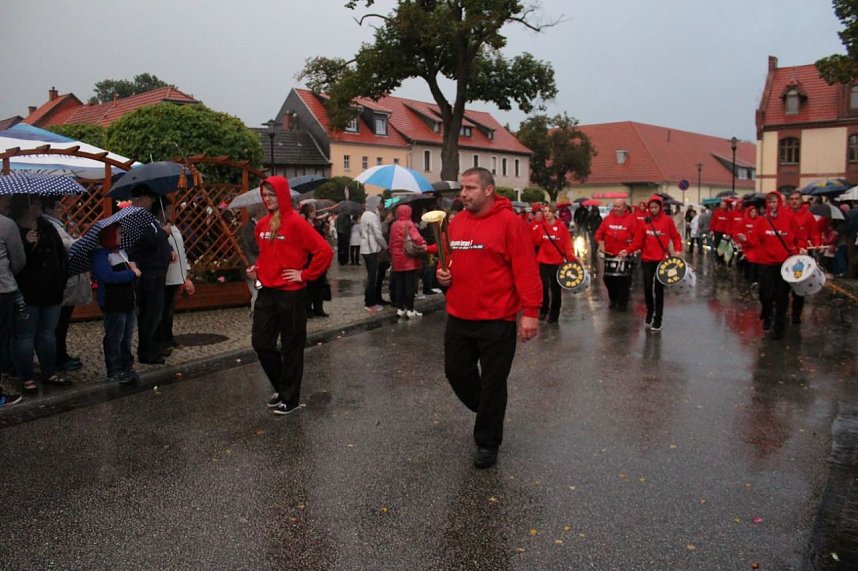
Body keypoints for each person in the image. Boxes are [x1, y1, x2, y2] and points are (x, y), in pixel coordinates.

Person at [435, 167, 542, 469]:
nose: (463, 194)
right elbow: (447, 263)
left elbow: (526, 270)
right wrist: (441, 275)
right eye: (462, 188)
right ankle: (488, 411)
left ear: (489, 190)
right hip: (459, 316)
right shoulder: (456, 223)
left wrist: (530, 313)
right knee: (456, 373)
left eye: (470, 188)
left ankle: (487, 442)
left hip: (498, 320)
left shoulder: (510, 223)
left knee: (494, 383)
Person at [246, 176, 332, 415]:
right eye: (264, 195)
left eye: (272, 194)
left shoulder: (296, 222)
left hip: (292, 294)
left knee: (292, 347)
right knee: (261, 343)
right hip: (267, 291)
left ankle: (290, 398)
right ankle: (283, 386)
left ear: (283, 195)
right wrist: (257, 270)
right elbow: (266, 256)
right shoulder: (262, 225)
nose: (267, 199)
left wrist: (305, 275)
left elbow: (324, 251)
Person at [9, 194, 69, 392]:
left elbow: (61, 253)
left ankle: (48, 371)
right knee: (25, 335)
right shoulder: (14, 228)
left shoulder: (46, 226)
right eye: (35, 203)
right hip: (28, 291)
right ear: (25, 205)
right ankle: (26, 377)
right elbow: (14, 262)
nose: (39, 206)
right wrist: (26, 243)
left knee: (47, 334)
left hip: (51, 290)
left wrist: (61, 279)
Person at [739, 191, 802, 339]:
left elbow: (798, 238)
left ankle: (779, 326)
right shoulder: (762, 221)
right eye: (770, 202)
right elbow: (753, 240)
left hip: (784, 263)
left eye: (775, 202)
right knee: (765, 294)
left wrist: (800, 249)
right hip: (766, 263)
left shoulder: (789, 218)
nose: (773, 205)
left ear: (779, 203)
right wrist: (745, 239)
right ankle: (767, 314)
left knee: (782, 296)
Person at [42, 197, 91, 373]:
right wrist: (83, 241)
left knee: (61, 323)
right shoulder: (51, 226)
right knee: (59, 324)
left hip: (66, 279)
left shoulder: (55, 225)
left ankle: (61, 356)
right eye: (57, 206)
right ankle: (58, 358)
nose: (61, 208)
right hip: (63, 281)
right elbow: (66, 246)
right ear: (48, 209)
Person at [127, 185, 174, 365]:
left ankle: (152, 346)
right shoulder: (138, 218)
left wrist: (168, 249)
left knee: (156, 312)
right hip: (149, 274)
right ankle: (146, 351)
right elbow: (151, 239)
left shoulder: (146, 218)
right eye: (149, 198)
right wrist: (164, 233)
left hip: (157, 272)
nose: (152, 201)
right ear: (140, 199)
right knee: (150, 314)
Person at [90, 223, 141, 384]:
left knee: (126, 338)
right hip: (113, 303)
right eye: (118, 234)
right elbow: (107, 276)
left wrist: (133, 269)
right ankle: (114, 369)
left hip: (127, 301)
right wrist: (131, 273)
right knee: (115, 337)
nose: (121, 237)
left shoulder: (120, 252)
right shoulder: (100, 254)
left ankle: (127, 366)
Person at [625, 194, 682, 332]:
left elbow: (675, 237)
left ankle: (658, 319)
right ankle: (650, 311)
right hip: (647, 260)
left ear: (660, 207)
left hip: (661, 261)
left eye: (656, 207)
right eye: (651, 207)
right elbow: (638, 241)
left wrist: (678, 250)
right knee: (647, 288)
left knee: (659, 289)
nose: (654, 209)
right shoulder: (645, 222)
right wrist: (627, 250)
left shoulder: (667, 221)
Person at [153, 198, 195, 352]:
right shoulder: (157, 228)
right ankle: (160, 340)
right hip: (166, 275)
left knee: (170, 309)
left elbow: (181, 251)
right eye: (168, 209)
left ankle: (168, 337)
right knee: (162, 309)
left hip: (177, 275)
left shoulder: (173, 227)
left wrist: (185, 274)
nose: (171, 212)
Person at [0, 194, 25, 406]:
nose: (8, 202)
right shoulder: (7, 225)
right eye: (4, 198)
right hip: (2, 290)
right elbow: (18, 260)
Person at [533, 204, 575, 322]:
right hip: (543, 261)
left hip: (556, 262)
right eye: (544, 211)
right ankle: (543, 310)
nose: (546, 214)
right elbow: (535, 242)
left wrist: (571, 257)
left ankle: (554, 315)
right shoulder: (541, 226)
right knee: (543, 287)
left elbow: (567, 244)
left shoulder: (561, 227)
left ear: (554, 213)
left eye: (549, 211)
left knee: (556, 290)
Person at [595, 199, 638, 311]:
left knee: (623, 280)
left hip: (624, 255)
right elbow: (598, 234)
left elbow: (637, 238)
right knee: (608, 279)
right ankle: (613, 299)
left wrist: (630, 249)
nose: (615, 209)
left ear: (624, 208)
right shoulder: (607, 219)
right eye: (614, 206)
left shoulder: (632, 220)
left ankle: (622, 302)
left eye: (618, 207)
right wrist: (600, 243)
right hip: (610, 254)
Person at [785, 191, 820, 325]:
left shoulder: (808, 216)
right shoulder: (784, 215)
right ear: (789, 201)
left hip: (801, 256)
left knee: (799, 288)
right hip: (785, 255)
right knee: (783, 287)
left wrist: (816, 245)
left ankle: (796, 314)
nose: (794, 201)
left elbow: (815, 234)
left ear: (801, 200)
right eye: (792, 199)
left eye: (797, 199)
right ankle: (782, 311)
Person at [389, 204, 427, 318]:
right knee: (410, 285)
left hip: (397, 259)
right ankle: (410, 309)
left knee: (399, 284)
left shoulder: (394, 225)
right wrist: (423, 244)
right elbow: (416, 238)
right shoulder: (409, 224)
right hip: (409, 259)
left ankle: (400, 308)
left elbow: (390, 242)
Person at [299, 203, 331, 318]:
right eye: (312, 211)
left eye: (314, 211)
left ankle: (319, 307)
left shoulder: (318, 223)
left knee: (320, 284)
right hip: (308, 257)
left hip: (319, 257)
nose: (314, 213)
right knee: (309, 285)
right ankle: (308, 308)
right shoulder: (303, 225)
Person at [360, 196, 387, 312]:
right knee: (372, 277)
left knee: (371, 276)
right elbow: (378, 234)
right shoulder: (372, 216)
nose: (382, 205)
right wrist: (385, 246)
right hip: (371, 249)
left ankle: (371, 300)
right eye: (381, 203)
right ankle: (370, 303)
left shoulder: (365, 214)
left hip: (366, 248)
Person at [238, 205, 264, 311]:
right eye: (263, 210)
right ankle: (255, 316)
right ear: (258, 212)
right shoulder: (248, 228)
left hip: (261, 265)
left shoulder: (261, 225)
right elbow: (253, 246)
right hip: (252, 264)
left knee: (261, 293)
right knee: (256, 293)